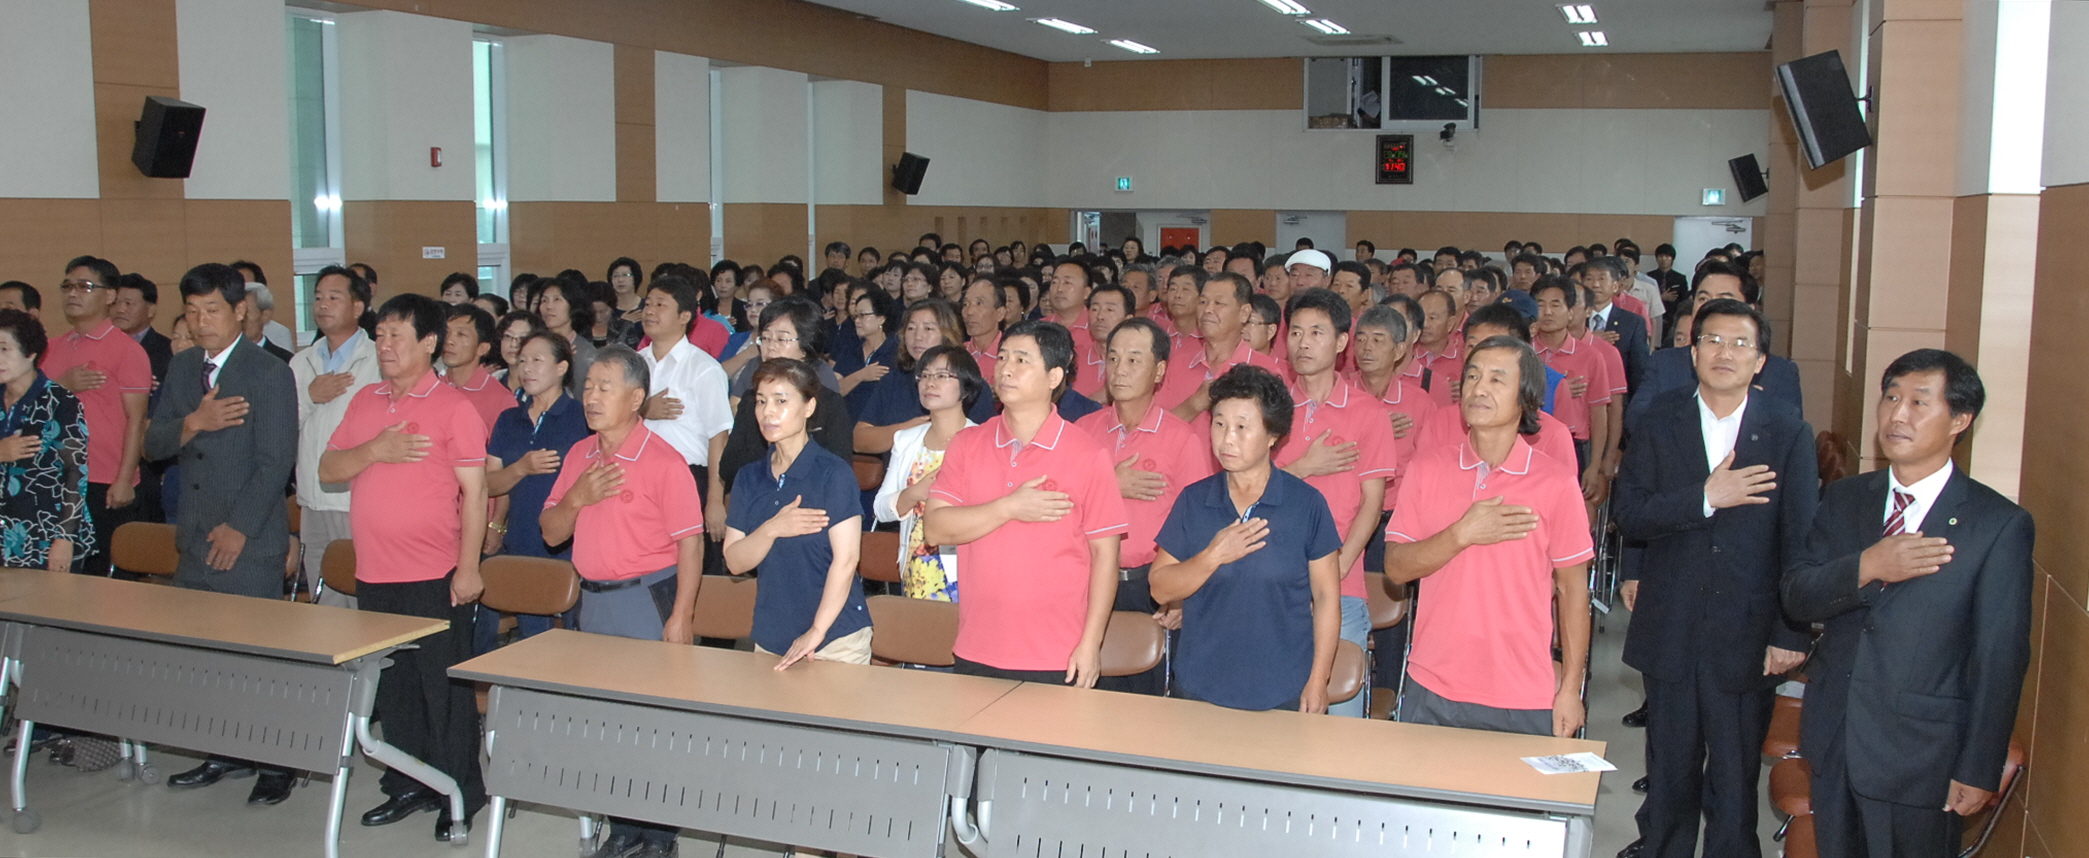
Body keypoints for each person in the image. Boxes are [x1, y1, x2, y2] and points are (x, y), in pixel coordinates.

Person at [1783, 350, 2032, 858]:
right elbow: (1797, 597)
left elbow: (1999, 657)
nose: (1898, 414)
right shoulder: (1847, 498)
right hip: (1836, 737)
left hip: (1924, 757)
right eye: (1892, 397)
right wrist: (1867, 566)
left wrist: (1977, 766)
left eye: (1920, 402)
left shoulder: (1996, 524)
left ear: (1960, 420)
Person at [1611, 299, 1817, 858]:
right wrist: (1703, 498)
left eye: (1740, 343)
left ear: (1760, 361)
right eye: (1713, 341)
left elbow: (1801, 539)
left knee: (1735, 773)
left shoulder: (1787, 431)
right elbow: (1629, 512)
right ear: (1693, 350)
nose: (1725, 353)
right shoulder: (1658, 420)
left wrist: (1791, 632)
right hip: (1671, 621)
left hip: (1749, 632)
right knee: (1670, 769)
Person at [319, 293, 488, 841]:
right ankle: (407, 782)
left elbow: (477, 493)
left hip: (435, 574)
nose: (385, 345)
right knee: (393, 691)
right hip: (375, 573)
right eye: (381, 335)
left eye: (397, 336)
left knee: (442, 691)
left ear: (429, 344)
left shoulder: (453, 406)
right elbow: (328, 467)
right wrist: (376, 450)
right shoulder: (366, 400)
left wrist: (468, 569)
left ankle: (459, 790)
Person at [145, 262, 302, 804]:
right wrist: (194, 422)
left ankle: (279, 762)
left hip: (249, 538)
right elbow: (155, 443)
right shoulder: (184, 366)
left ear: (240, 310)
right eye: (192, 311)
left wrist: (239, 528)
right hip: (193, 535)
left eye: (212, 309)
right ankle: (224, 749)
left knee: (256, 655)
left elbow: (277, 459)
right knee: (208, 655)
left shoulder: (267, 371)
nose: (201, 320)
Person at [1385, 336, 1593, 737]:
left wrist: (1570, 688)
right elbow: (1396, 568)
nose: (1479, 388)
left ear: (1527, 398)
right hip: (1433, 686)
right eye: (1473, 376)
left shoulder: (1555, 482)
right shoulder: (1428, 469)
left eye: (1497, 379)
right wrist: (1461, 533)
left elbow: (1572, 592)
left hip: (1521, 692)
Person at [923, 320, 1129, 683]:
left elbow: (1105, 558)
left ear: (1054, 377)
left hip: (1056, 653)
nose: (1005, 368)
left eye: (1022, 360)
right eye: (1002, 357)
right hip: (977, 645)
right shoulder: (968, 444)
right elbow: (936, 528)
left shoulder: (1087, 454)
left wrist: (1090, 644)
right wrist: (1009, 507)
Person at [1150, 365, 1340, 712]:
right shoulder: (1195, 500)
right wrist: (1213, 555)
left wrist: (1318, 680)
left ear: (1273, 435)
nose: (1227, 439)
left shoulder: (1306, 504)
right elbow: (1160, 587)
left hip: (1282, 686)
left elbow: (1327, 597)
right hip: (1200, 685)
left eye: (1242, 427)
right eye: (1219, 424)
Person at [1272, 289, 1397, 717]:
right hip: (1273, 586)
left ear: (1342, 342)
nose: (1303, 343)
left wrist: (1339, 564)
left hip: (1343, 587)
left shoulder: (1368, 413)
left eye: (1317, 333)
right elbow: (1246, 491)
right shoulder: (1269, 409)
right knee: (1271, 721)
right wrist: (1304, 466)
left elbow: (1373, 503)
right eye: (1297, 332)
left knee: (1338, 724)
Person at [1076, 317, 1214, 695]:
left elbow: (1200, 525)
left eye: (1134, 360)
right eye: (1114, 358)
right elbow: (1057, 507)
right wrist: (1108, 485)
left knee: (1146, 705)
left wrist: (1184, 593)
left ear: (1160, 371)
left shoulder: (1181, 439)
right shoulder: (1081, 433)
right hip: (1083, 582)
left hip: (1150, 589)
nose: (1120, 370)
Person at [481, 331, 590, 652]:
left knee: (574, 641)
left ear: (561, 367)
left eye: (537, 361)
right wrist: (521, 468)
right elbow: (489, 484)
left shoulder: (582, 418)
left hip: (569, 546)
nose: (527, 368)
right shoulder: (508, 419)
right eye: (522, 360)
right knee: (533, 643)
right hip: (521, 541)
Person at [43, 255, 151, 577]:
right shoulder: (51, 348)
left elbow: (136, 420)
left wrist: (124, 478)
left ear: (110, 295)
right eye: (67, 286)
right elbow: (34, 405)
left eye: (84, 286)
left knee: (102, 578)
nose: (73, 294)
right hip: (56, 478)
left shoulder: (126, 349)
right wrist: (64, 384)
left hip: (103, 481)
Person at [292, 266, 381, 607]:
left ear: (358, 308)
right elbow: (286, 424)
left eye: (333, 297)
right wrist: (310, 397)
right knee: (321, 593)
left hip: (354, 497)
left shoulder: (377, 359)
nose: (322, 305)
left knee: (360, 592)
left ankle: (367, 661)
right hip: (312, 497)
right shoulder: (302, 362)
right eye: (317, 298)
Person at [635, 276, 733, 577]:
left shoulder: (704, 368)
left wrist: (715, 501)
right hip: (639, 478)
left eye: (661, 305)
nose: (650, 311)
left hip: (690, 479)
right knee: (650, 565)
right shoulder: (634, 365)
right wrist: (644, 409)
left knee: (693, 569)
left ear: (685, 316)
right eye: (648, 303)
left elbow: (719, 435)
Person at [1627, 262, 1803, 427]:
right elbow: (1636, 421)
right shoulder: (1664, 363)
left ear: (1749, 308)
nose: (1711, 307)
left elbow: (1788, 434)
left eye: (1724, 299)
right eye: (1703, 299)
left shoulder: (1781, 372)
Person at [873, 346, 981, 602]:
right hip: (916, 565)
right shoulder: (906, 440)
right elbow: (880, 509)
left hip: (967, 568)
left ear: (966, 386)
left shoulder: (982, 441)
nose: (930, 382)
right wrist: (915, 493)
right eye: (925, 375)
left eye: (942, 375)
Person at [719, 299, 853, 500]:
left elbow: (838, 469)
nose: (770, 348)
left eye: (781, 340)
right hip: (758, 499)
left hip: (810, 505)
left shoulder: (828, 402)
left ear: (806, 347)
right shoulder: (752, 399)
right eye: (765, 338)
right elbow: (728, 468)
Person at [0, 309, 91, 573]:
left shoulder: (60, 401)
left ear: (30, 354)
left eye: (5, 349)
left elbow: (76, 472)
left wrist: (65, 537)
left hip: (42, 531)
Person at [854, 299, 991, 453]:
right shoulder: (892, 381)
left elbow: (986, 444)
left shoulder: (967, 383)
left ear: (946, 334)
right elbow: (859, 440)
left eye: (928, 329)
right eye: (911, 328)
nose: (918, 336)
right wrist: (909, 430)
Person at [1159, 272, 1283, 422]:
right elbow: (1157, 429)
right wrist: (1194, 404)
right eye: (1203, 302)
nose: (1208, 310)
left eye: (1219, 303)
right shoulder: (1178, 363)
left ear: (1244, 313)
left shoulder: (1264, 369)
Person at [443, 304, 515, 431]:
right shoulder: (431, 389)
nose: (449, 341)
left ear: (482, 348)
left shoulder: (501, 400)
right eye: (446, 333)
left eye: (461, 334)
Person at [836, 286, 899, 410]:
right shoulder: (851, 348)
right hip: (848, 421)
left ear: (881, 318)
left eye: (863, 315)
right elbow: (834, 391)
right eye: (855, 316)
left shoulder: (896, 351)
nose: (857, 321)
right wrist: (861, 375)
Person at [537, 278, 599, 401]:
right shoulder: (535, 346)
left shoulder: (586, 354)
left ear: (573, 305)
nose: (549, 306)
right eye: (544, 300)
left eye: (557, 300)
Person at [242, 284, 296, 362]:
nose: (240, 318)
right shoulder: (222, 357)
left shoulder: (284, 360)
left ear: (265, 315)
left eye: (246, 312)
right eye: (236, 311)